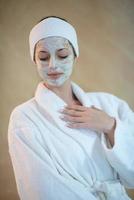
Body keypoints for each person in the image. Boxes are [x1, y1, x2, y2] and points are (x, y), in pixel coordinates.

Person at [8, 16, 134, 200]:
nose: (53, 65)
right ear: (34, 60)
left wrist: (111, 126)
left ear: (75, 55)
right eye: (43, 57)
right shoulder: (24, 118)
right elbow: (42, 189)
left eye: (62, 55)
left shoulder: (110, 104)